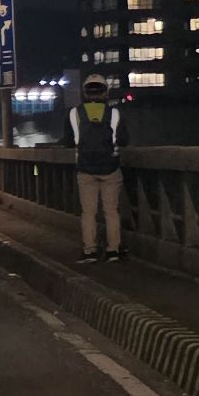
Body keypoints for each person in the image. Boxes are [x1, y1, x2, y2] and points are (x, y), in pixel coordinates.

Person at [68, 75, 127, 262]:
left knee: (88, 212)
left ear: (85, 93)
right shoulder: (114, 113)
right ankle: (113, 250)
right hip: (110, 168)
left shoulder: (74, 113)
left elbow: (68, 140)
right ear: (105, 92)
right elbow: (124, 140)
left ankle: (90, 251)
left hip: (85, 168)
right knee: (111, 211)